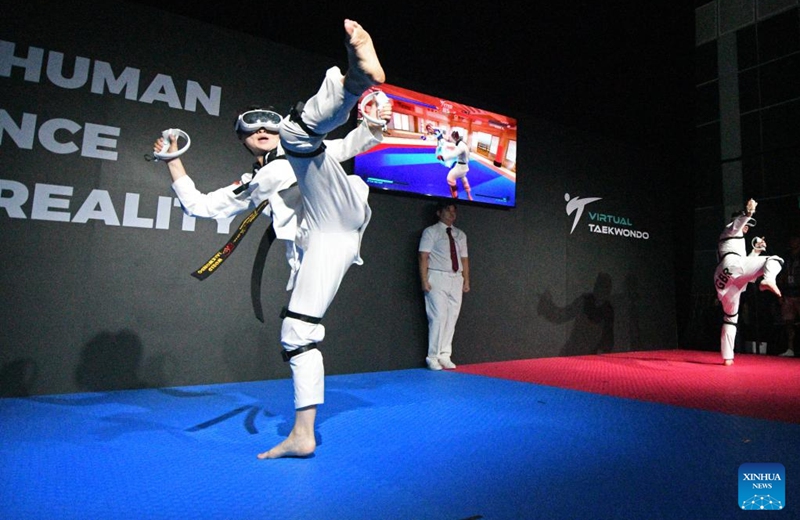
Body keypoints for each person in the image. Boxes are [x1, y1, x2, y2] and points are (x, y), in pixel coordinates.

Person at [155, 19, 390, 458]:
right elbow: (201, 206)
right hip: (326, 243)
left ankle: (355, 82)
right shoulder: (257, 181)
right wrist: (172, 162)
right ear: (242, 139)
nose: (262, 130)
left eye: (269, 124)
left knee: (303, 138)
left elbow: (349, 144)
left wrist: (371, 124)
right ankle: (303, 435)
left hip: (336, 206)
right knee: (297, 334)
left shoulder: (298, 149)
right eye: (251, 128)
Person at [713, 198, 783, 366]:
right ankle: (768, 279)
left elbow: (744, 268)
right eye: (747, 223)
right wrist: (749, 212)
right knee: (775, 260)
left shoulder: (735, 240)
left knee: (730, 317)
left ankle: (727, 357)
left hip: (724, 279)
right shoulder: (730, 230)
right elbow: (737, 224)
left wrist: (756, 251)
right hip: (732, 268)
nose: (747, 227)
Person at [418, 201, 470, 370]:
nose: (451, 214)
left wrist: (466, 279)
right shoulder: (431, 232)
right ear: (439, 213)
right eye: (448, 210)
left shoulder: (460, 234)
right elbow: (423, 256)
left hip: (456, 277)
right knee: (438, 317)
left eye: (454, 211)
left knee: (452, 317)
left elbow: (464, 259)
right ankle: (432, 356)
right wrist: (424, 280)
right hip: (437, 275)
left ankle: (445, 354)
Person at [778, 235, 800, 357]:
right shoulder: (787, 256)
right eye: (792, 239)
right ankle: (790, 348)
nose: (793, 242)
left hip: (799, 293)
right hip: (788, 293)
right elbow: (782, 274)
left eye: (796, 239)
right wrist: (780, 293)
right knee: (788, 323)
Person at [436, 129, 473, 201]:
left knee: (450, 178)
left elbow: (454, 154)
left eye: (452, 138)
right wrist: (440, 138)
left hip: (460, 167)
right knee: (464, 179)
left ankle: (455, 197)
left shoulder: (461, 147)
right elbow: (450, 145)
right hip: (464, 167)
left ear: (455, 138)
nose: (451, 140)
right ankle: (469, 196)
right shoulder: (462, 144)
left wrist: (442, 157)